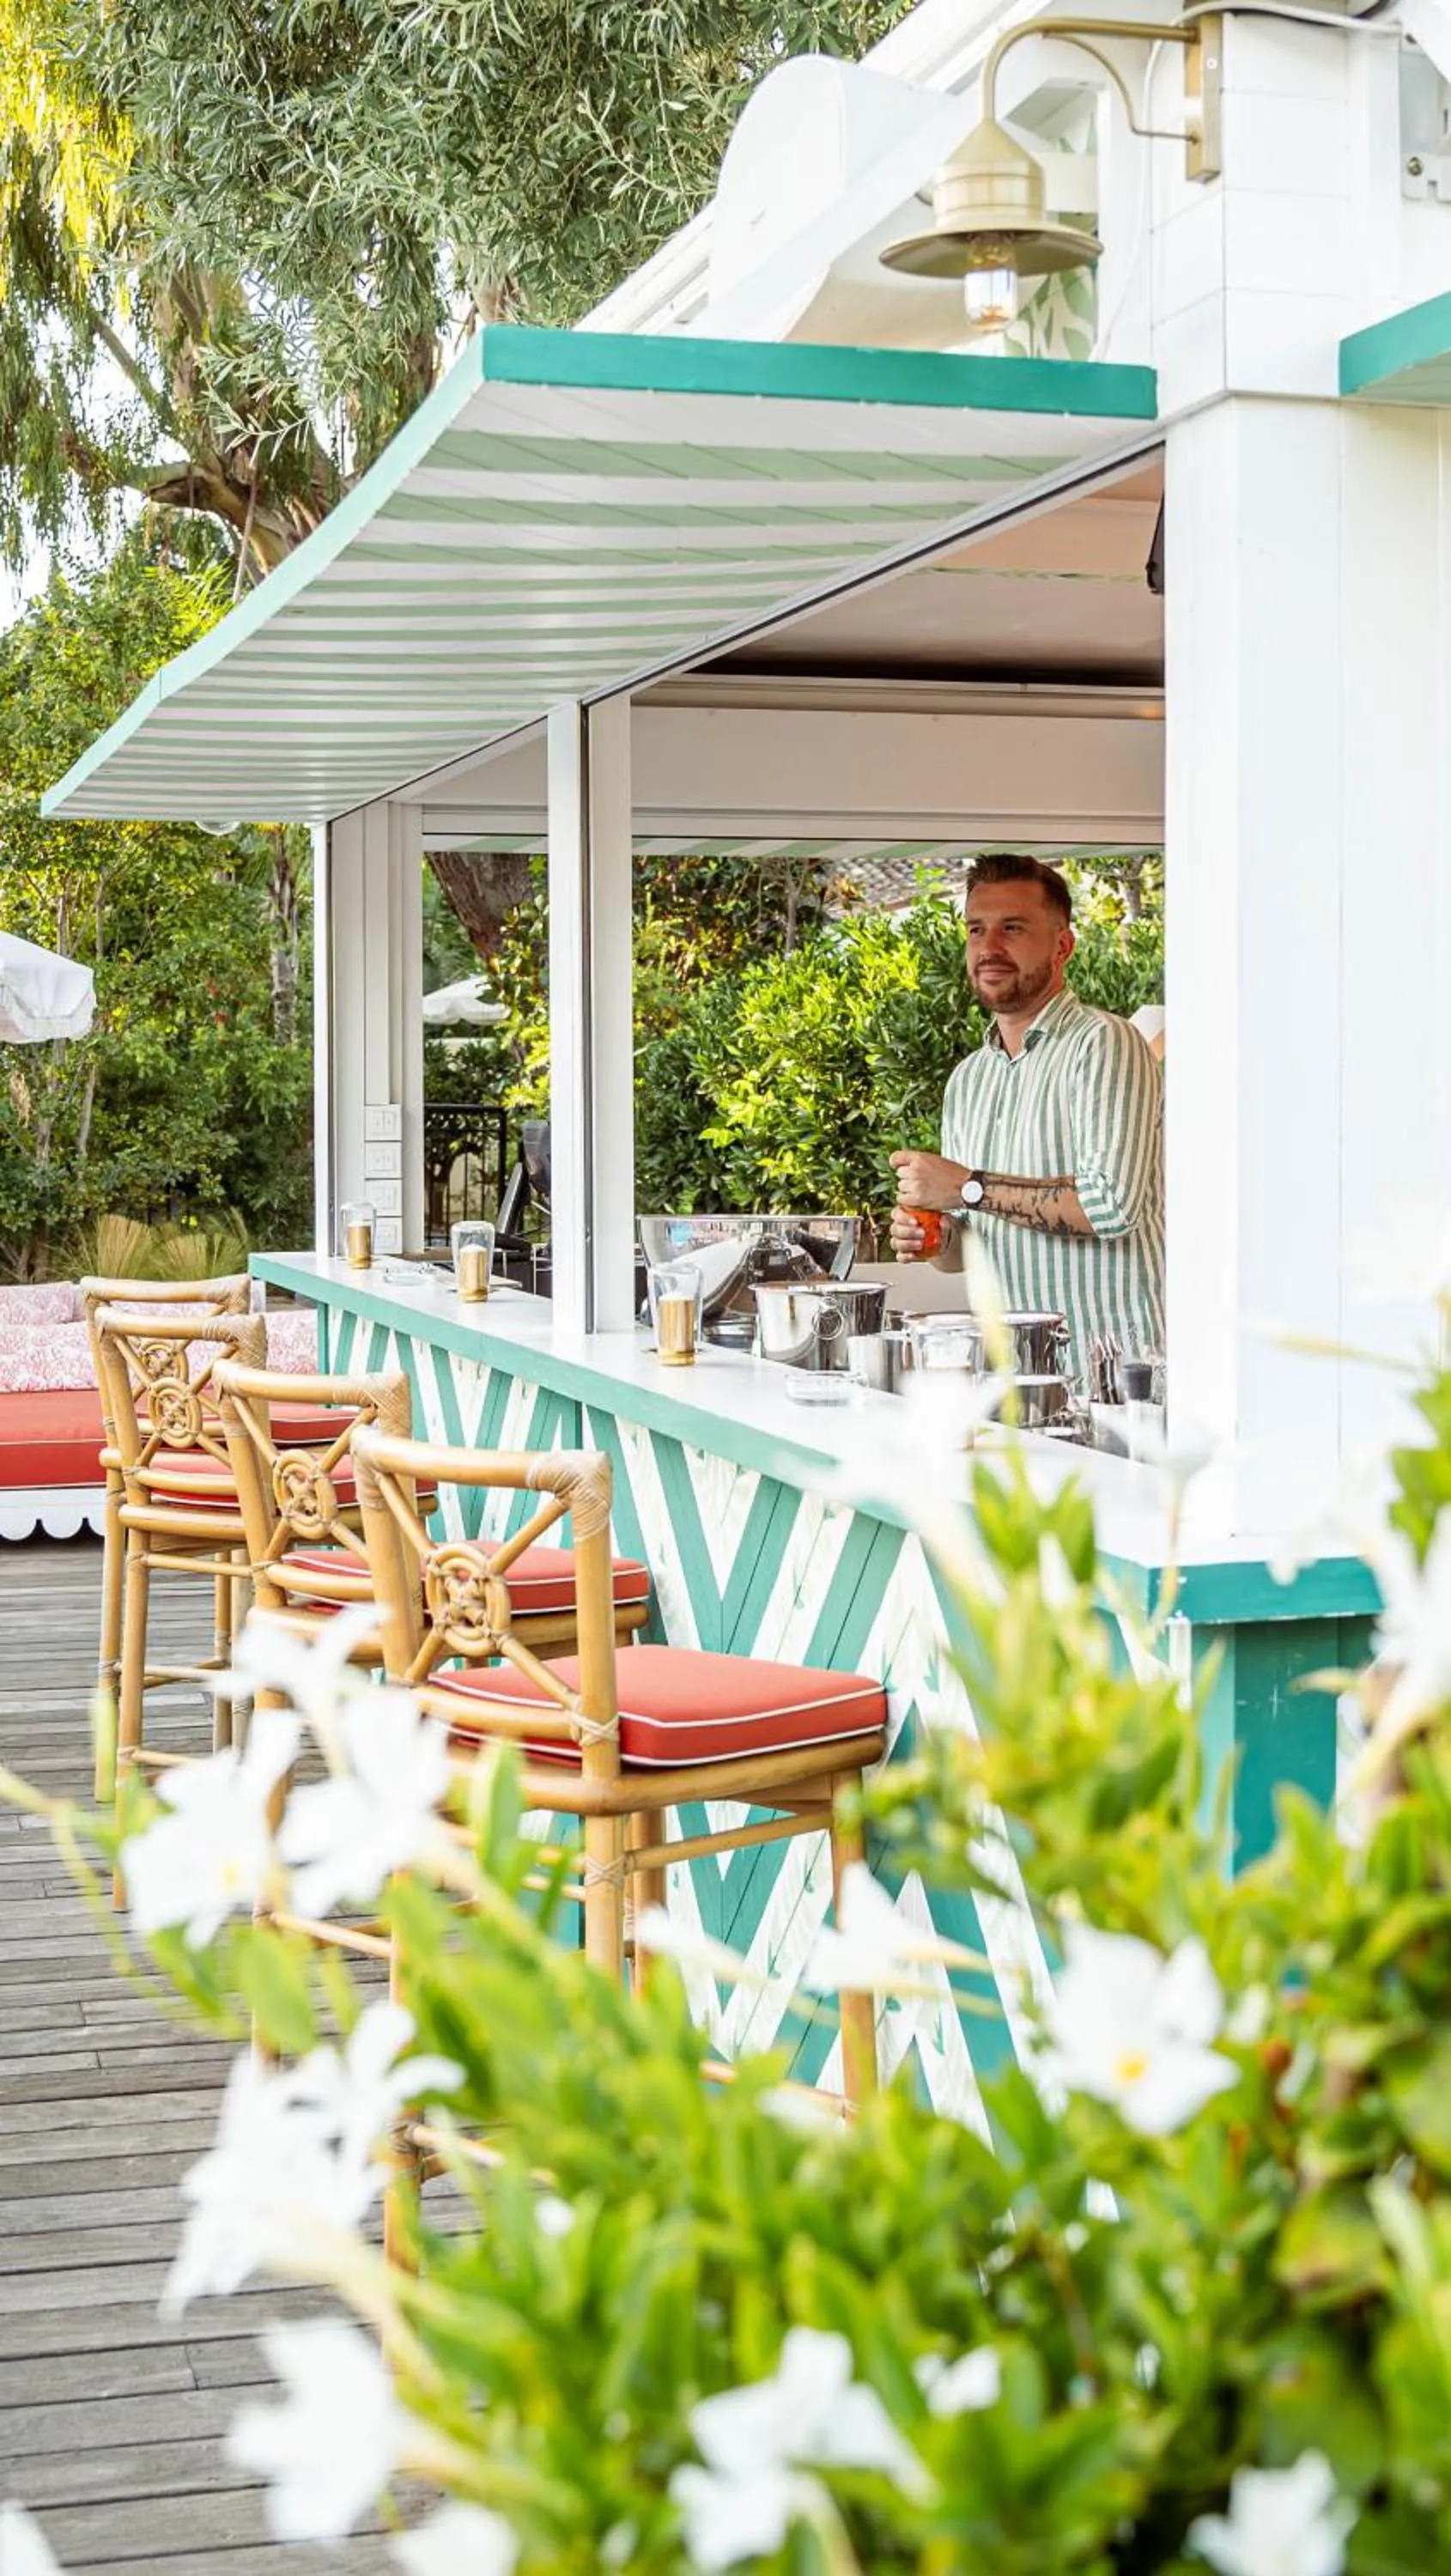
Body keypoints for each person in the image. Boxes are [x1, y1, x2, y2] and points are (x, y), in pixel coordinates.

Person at [889, 854, 1164, 1377]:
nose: (989, 947)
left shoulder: (1105, 1043)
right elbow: (968, 1244)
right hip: (1011, 1381)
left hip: (1112, 1379)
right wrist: (935, 1236)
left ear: (1063, 946)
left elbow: (1110, 1207)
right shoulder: (968, 1079)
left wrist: (966, 1186)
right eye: (976, 929)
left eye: (1012, 928)